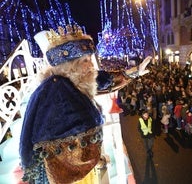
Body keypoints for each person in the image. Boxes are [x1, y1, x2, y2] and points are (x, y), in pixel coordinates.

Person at [19, 25, 151, 183]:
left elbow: (101, 80)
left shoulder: (72, 81)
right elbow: (60, 155)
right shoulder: (56, 92)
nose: (91, 65)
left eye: (90, 59)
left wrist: (135, 71)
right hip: (67, 176)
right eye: (85, 61)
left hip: (83, 170)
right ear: (70, 65)